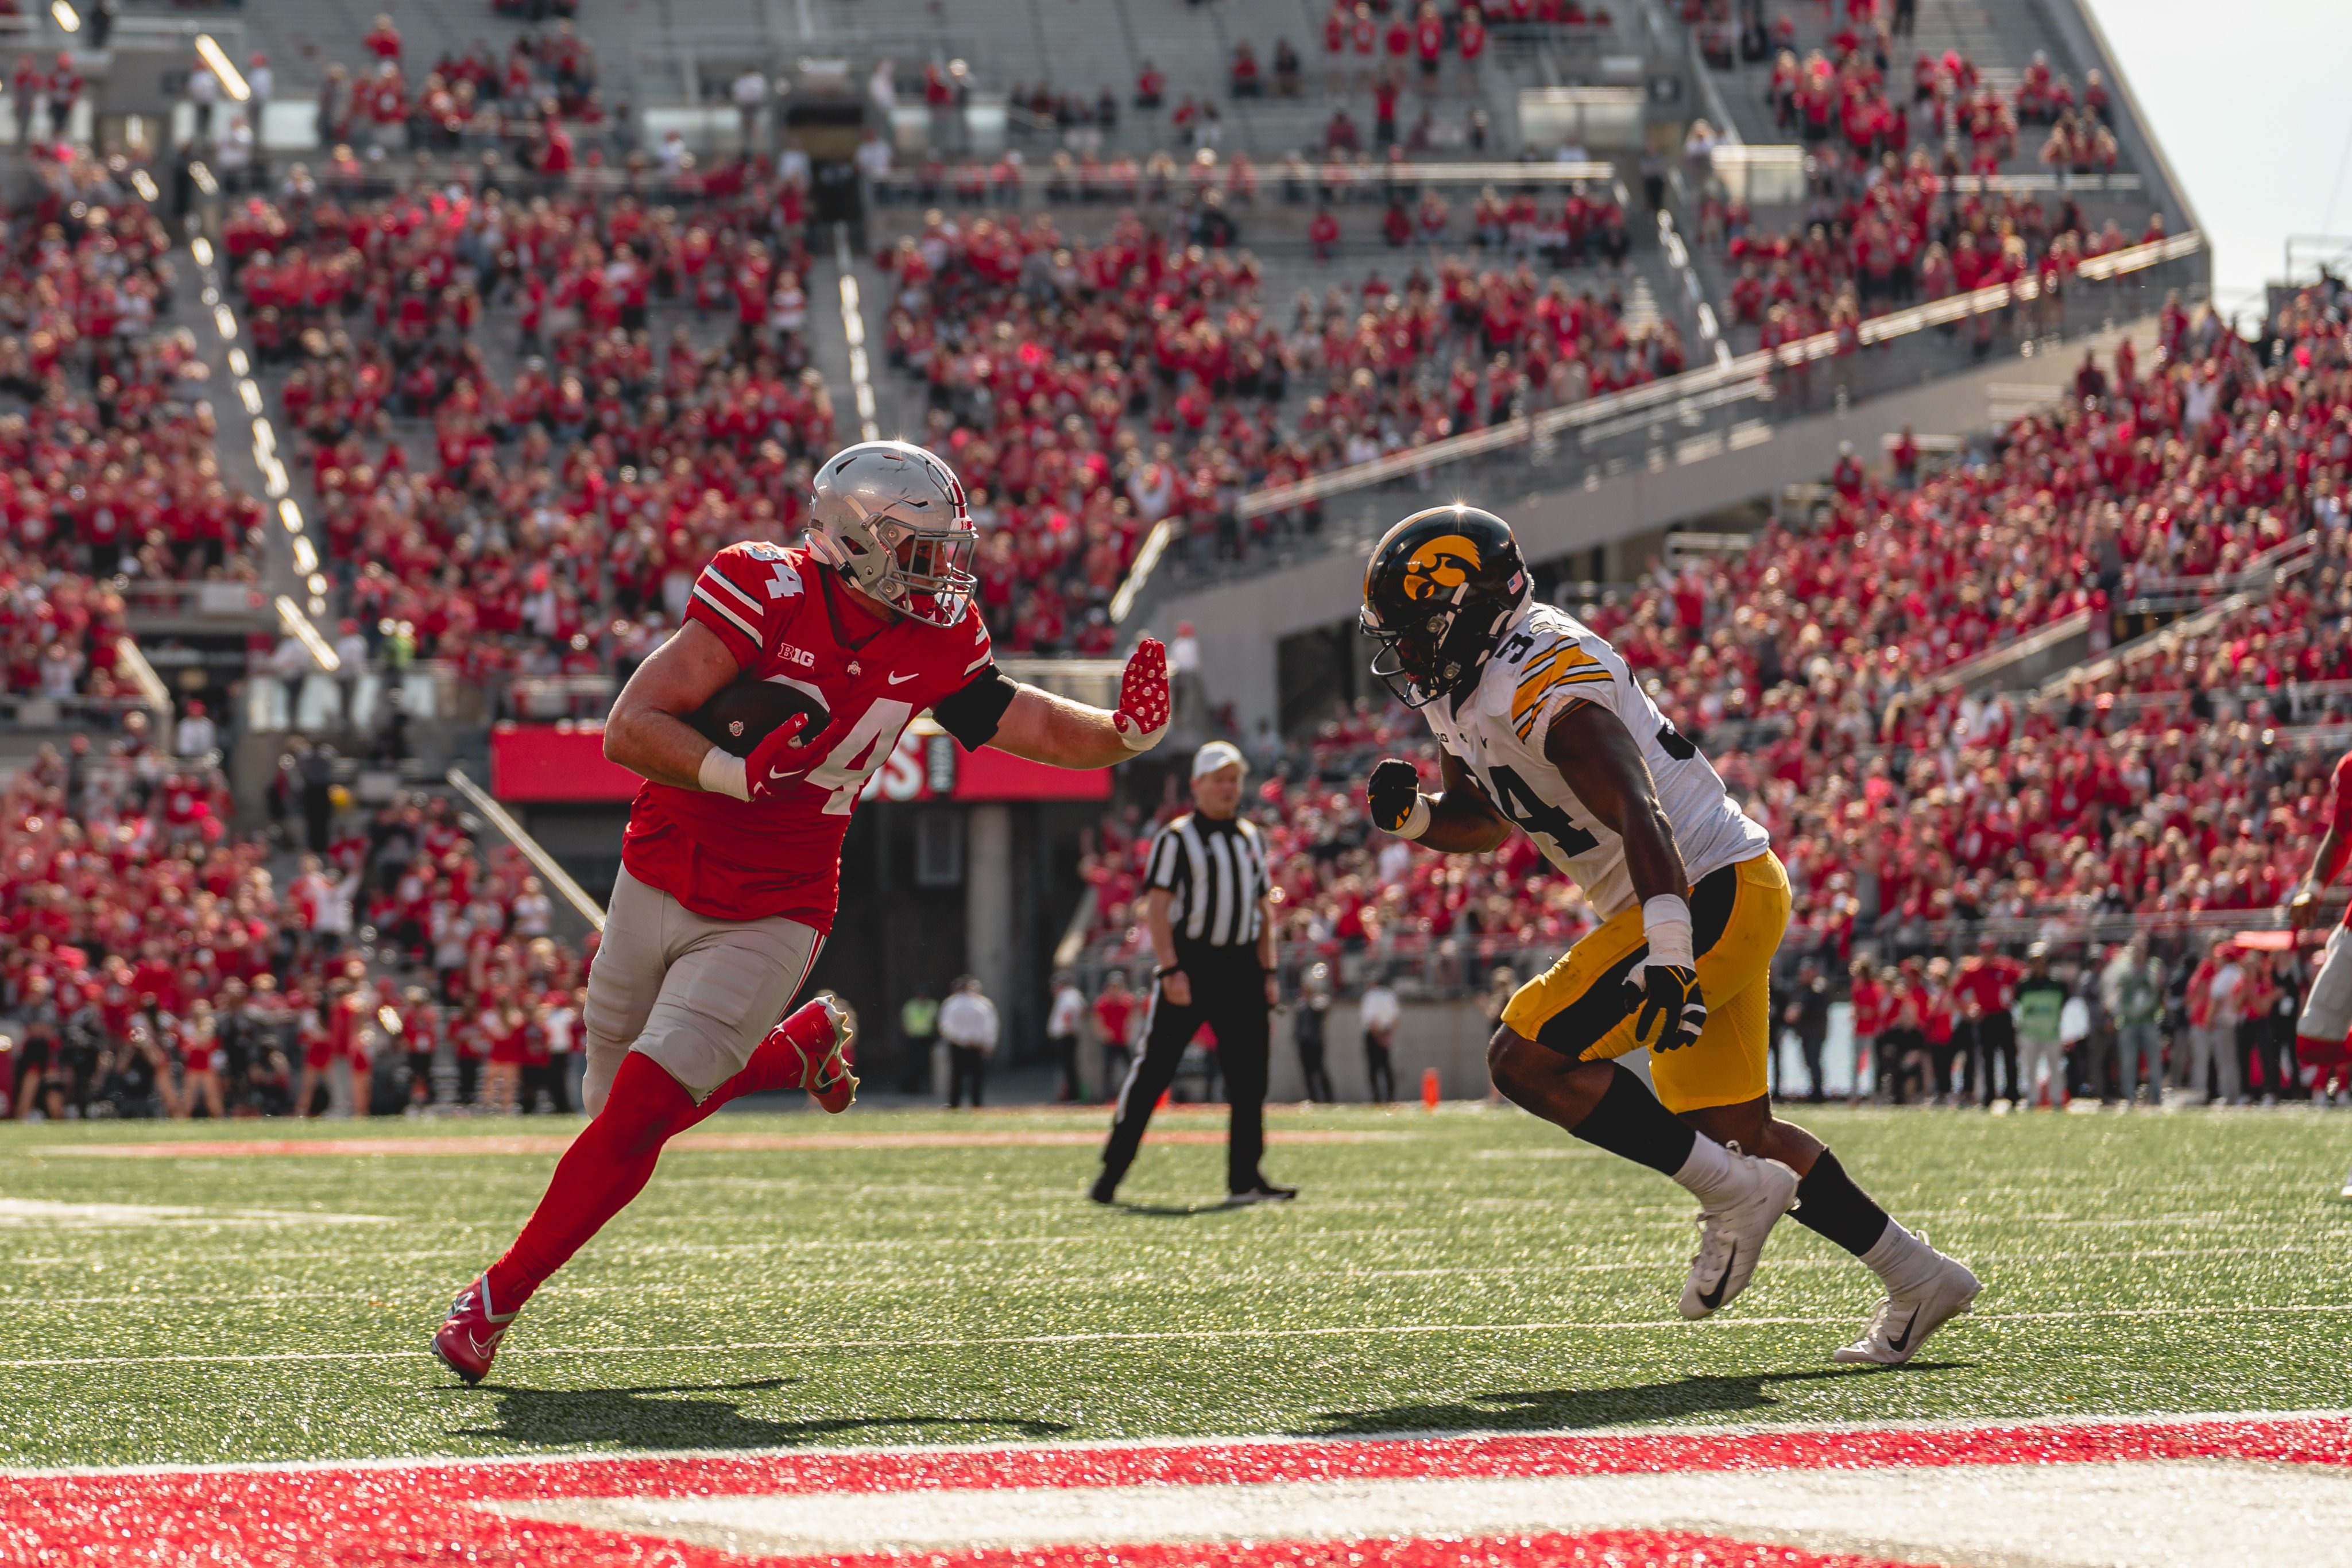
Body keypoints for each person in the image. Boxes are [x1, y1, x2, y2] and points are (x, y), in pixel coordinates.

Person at [432, 440, 1173, 1384]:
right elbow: (630, 726)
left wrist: (1117, 736)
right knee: (611, 1111)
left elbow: (1013, 716)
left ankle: (492, 1301)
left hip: (779, 903)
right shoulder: (762, 588)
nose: (945, 571)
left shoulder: (940, 636)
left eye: (950, 550)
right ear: (858, 541)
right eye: (921, 550)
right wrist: (732, 772)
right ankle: (795, 1048)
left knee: (636, 1120)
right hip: (659, 867)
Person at [1359, 504, 1977, 1365]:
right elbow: (1484, 817)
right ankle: (1919, 1275)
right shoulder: (1465, 685)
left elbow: (1637, 807)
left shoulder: (1542, 673)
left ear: (1469, 607)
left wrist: (1669, 953)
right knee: (1738, 1135)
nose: (1408, 651)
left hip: (1698, 888)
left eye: (1419, 627)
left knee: (1524, 1055)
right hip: (1706, 890)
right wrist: (1420, 816)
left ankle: (1734, 1196)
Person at [1093, 740, 1293, 1206]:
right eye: (1219, 779)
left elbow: (1263, 911)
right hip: (1194, 962)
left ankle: (1245, 1178)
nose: (1228, 788)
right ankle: (1112, 1171)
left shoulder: (1250, 836)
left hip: (1243, 964)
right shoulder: (1176, 837)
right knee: (1155, 1069)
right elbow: (1158, 907)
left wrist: (1268, 971)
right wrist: (1171, 969)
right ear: (1197, 785)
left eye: (1234, 779)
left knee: (1250, 1076)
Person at [2100, 940, 2164, 1107]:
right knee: (2128, 1061)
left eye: (2141, 950)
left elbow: (2159, 991)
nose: (2138, 953)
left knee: (2154, 1060)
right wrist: (2112, 1012)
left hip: (2149, 1020)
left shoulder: (2153, 968)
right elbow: (2116, 992)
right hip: (2128, 1022)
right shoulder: (2123, 971)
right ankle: (2130, 1096)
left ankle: (2156, 1096)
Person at [2012, 945, 2069, 1109]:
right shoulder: (2023, 984)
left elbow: (2064, 1002)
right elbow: (2017, 1003)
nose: (2038, 965)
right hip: (2029, 1032)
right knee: (2030, 1068)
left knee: (2056, 1068)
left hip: (2051, 1032)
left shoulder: (2057, 983)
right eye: (2034, 961)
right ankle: (2032, 1100)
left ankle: (2057, 1100)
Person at [939, 975, 998, 1108]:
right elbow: (990, 1026)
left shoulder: (952, 1003)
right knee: (975, 1076)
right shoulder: (983, 1004)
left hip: (958, 1043)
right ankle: (976, 1104)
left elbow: (945, 1027)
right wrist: (988, 1044)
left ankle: (956, 1104)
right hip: (976, 1044)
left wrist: (961, 1039)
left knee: (957, 1076)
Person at [1779, 957, 1830, 1102]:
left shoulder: (1818, 988)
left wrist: (1800, 1013)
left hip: (1815, 1032)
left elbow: (1817, 1010)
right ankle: (1814, 1090)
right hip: (1805, 1032)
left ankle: (1818, 1092)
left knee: (1814, 1061)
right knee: (1808, 1062)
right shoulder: (1800, 989)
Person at [1092, 971, 1139, 1102]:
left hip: (1124, 1040)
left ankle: (1134, 1094)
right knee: (1108, 1070)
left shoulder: (1127, 1001)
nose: (1115, 990)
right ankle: (1107, 1096)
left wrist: (1130, 1033)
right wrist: (1104, 1034)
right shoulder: (1102, 1003)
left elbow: (1133, 1019)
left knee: (1131, 1068)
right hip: (1110, 1041)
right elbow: (1098, 1022)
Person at [1295, 961, 1335, 1102]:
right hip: (1304, 1042)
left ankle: (1329, 1098)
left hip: (1315, 1042)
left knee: (1319, 1070)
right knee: (1307, 1072)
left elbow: (1322, 1010)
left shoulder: (1318, 1002)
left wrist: (1315, 993)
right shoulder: (1301, 1005)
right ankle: (1313, 1098)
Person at [1359, 973, 1399, 1102]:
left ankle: (1376, 1097)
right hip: (1387, 1032)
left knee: (1373, 1068)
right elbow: (1395, 1017)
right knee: (1386, 1066)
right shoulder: (1390, 996)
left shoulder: (1370, 997)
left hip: (1373, 1035)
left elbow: (1372, 1019)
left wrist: (1377, 1037)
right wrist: (1388, 1037)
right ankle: (1390, 1097)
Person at [1046, 971, 1085, 1102]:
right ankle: (1070, 1094)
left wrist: (1069, 1029)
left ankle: (1072, 1096)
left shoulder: (1068, 995)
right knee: (1068, 1067)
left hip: (1066, 1036)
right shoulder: (1071, 995)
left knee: (1069, 1067)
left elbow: (1067, 1014)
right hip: (1067, 1035)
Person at [898, 986, 939, 1094]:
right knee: (913, 1064)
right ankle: (912, 1088)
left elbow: (937, 1021)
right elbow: (904, 1021)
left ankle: (925, 1088)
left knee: (925, 1064)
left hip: (927, 1038)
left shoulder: (932, 1005)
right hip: (913, 1038)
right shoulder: (911, 1005)